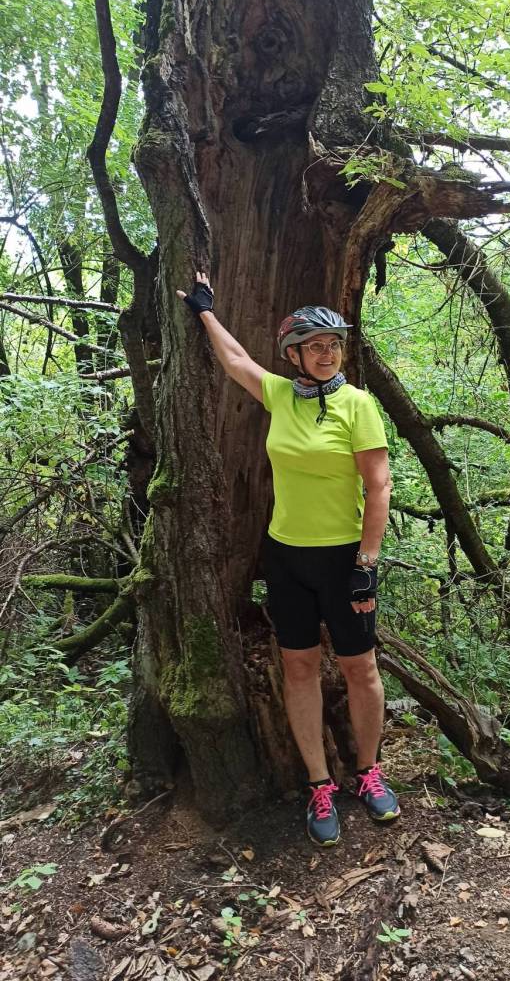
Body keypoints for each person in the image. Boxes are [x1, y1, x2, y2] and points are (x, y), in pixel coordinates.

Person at [178, 273, 400, 846]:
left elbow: (379, 486)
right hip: (286, 558)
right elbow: (236, 361)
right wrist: (205, 311)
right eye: (315, 345)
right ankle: (319, 784)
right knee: (298, 668)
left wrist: (367, 563)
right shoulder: (280, 394)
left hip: (344, 560)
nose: (327, 354)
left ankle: (369, 772)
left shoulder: (358, 405)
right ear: (294, 354)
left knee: (360, 669)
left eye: (334, 345)